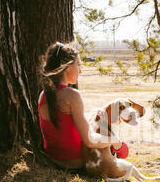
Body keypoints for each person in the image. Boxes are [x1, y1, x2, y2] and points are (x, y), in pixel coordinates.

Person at [38, 41, 124, 170]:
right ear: (67, 67)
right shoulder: (72, 95)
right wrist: (114, 140)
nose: (81, 70)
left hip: (53, 160)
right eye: (78, 65)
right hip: (75, 163)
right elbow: (90, 141)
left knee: (95, 118)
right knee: (105, 137)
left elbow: (65, 128)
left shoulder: (43, 95)